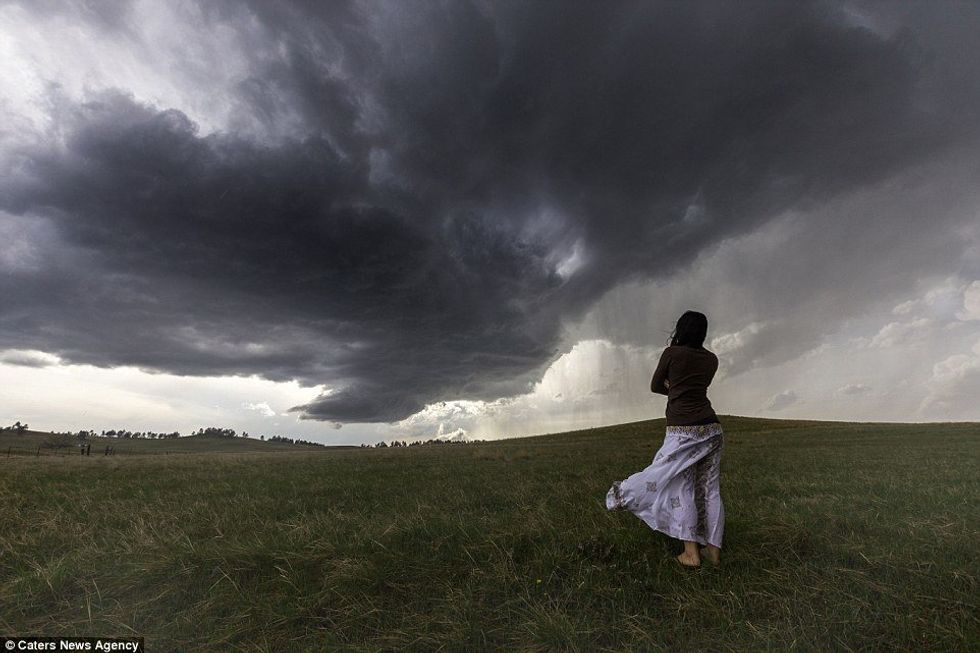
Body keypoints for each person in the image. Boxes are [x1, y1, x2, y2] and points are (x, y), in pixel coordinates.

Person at [606, 310, 725, 567]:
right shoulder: (711, 360)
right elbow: (696, 387)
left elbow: (655, 385)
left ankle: (691, 553)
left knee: (682, 487)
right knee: (710, 490)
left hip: (683, 431)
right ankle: (713, 552)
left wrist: (673, 387)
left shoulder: (672, 353)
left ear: (681, 329)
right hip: (712, 428)